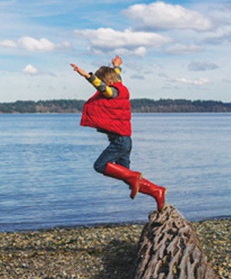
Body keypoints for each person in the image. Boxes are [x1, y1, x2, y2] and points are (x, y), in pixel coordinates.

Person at [71, 55, 166, 211]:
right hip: (124, 140)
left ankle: (135, 177)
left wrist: (87, 76)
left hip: (120, 141)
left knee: (100, 165)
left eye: (103, 82)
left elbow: (103, 88)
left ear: (108, 82)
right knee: (127, 177)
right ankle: (157, 191)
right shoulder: (120, 88)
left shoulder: (113, 92)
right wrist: (116, 66)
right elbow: (116, 78)